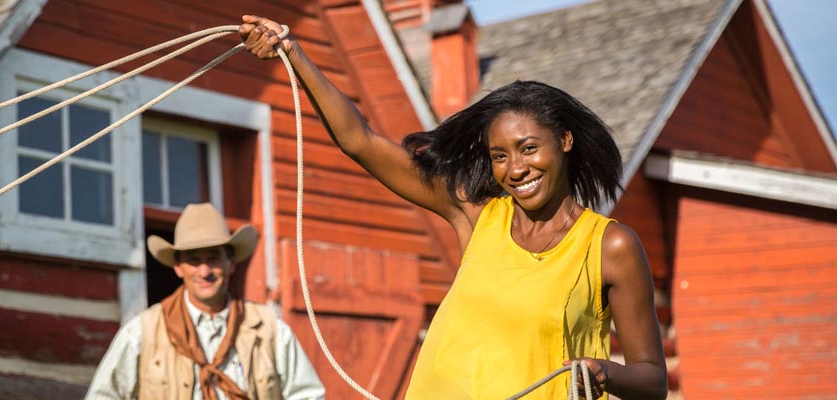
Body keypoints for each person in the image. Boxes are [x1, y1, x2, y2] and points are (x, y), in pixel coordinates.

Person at [238, 15, 667, 400]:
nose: (516, 169)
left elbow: (652, 379)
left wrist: (603, 371)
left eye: (529, 148)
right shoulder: (478, 216)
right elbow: (360, 140)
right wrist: (293, 54)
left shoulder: (610, 246)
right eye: (500, 156)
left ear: (566, 142)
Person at [86, 203, 325, 399]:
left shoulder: (269, 330)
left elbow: (308, 396)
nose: (204, 271)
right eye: (193, 260)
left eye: (213, 258)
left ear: (231, 263)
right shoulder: (143, 332)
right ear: (178, 267)